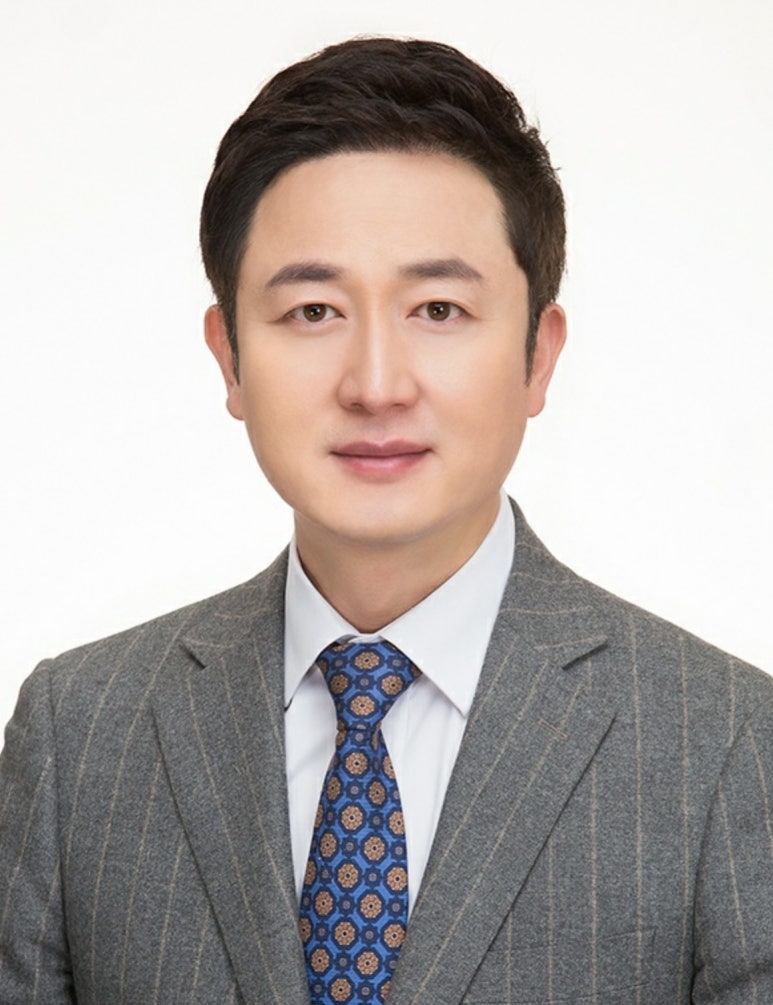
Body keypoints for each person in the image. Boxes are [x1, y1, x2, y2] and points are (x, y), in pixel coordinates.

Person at [1, 36, 772, 1005]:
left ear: (537, 357)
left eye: (437, 309)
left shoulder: (727, 744)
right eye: (313, 311)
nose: (375, 384)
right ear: (229, 358)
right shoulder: (79, 735)